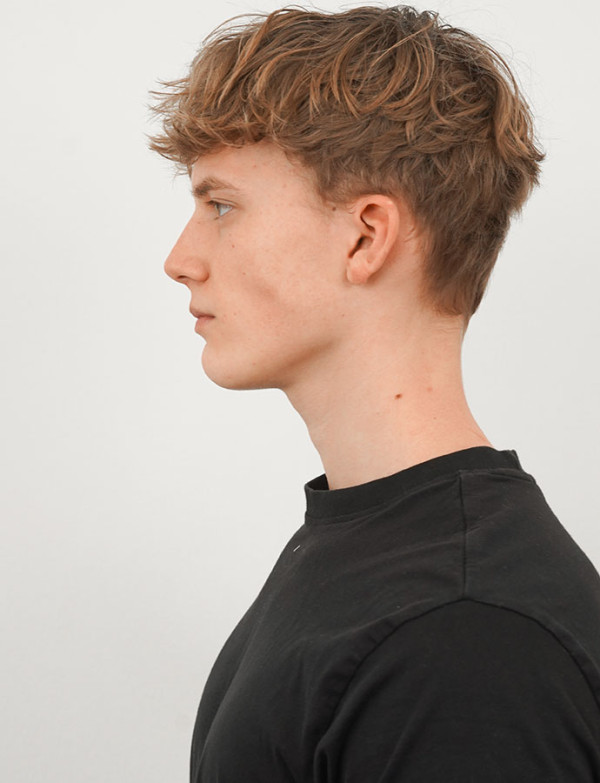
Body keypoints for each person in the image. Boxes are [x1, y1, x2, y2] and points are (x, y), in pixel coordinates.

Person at [148, 5, 600, 780]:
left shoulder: (468, 645)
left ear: (366, 236)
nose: (180, 259)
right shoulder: (374, 550)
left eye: (221, 205)